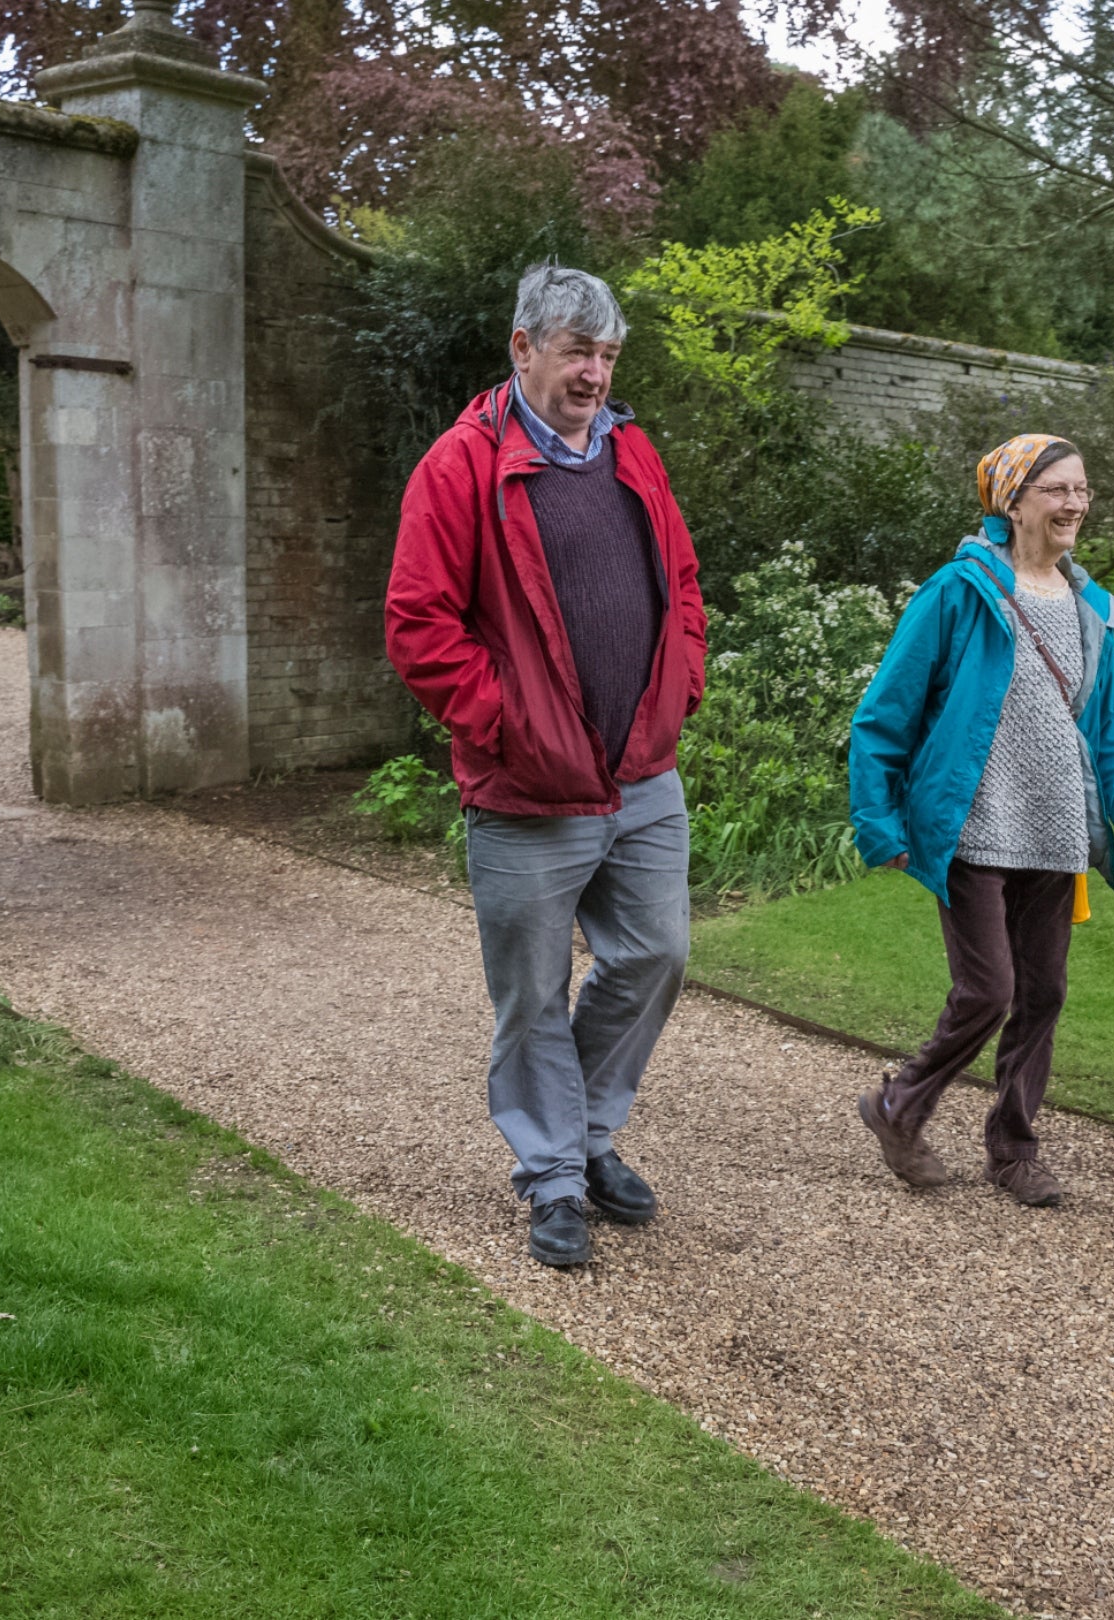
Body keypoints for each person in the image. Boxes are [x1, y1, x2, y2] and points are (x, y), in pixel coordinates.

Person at [383, 263, 708, 1268]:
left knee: (656, 954)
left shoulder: (635, 454)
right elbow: (419, 626)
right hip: (527, 791)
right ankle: (555, 1178)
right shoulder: (460, 466)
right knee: (530, 994)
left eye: (608, 356)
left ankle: (588, 1135)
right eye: (579, 352)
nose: (595, 375)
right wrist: (509, 724)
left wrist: (678, 688)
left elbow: (684, 585)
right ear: (522, 347)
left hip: (642, 777)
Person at [847, 433, 1114, 1206]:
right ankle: (899, 1106)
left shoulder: (1089, 610)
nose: (1074, 505)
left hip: (1057, 831)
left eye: (1083, 491)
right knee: (989, 989)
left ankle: (1013, 1148)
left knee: (1045, 993)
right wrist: (881, 823)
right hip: (973, 827)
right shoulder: (958, 592)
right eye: (1057, 490)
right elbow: (883, 717)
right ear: (1012, 500)